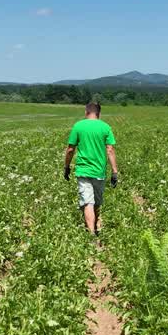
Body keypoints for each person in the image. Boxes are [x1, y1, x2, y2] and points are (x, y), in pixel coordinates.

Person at [63, 101, 118, 235]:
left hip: (83, 170)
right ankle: (93, 231)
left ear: (86, 112)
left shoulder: (78, 126)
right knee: (96, 202)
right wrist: (115, 171)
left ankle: (92, 231)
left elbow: (70, 149)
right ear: (99, 113)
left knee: (88, 202)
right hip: (99, 171)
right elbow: (110, 150)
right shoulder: (105, 127)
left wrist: (67, 167)